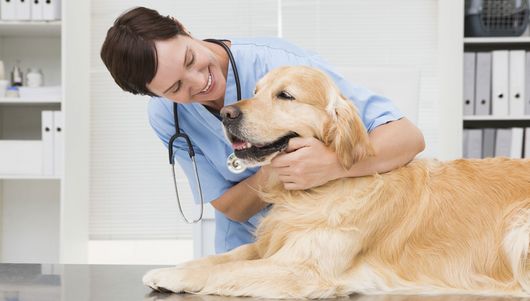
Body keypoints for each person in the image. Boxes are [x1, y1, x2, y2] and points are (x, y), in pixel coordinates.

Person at [100, 6, 425, 254]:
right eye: (175, 88)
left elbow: (408, 138)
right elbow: (229, 206)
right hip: (247, 247)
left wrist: (332, 163)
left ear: (183, 29)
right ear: (156, 95)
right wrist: (278, 169)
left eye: (189, 59)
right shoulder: (166, 117)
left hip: (326, 237)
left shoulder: (277, 62)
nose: (200, 83)